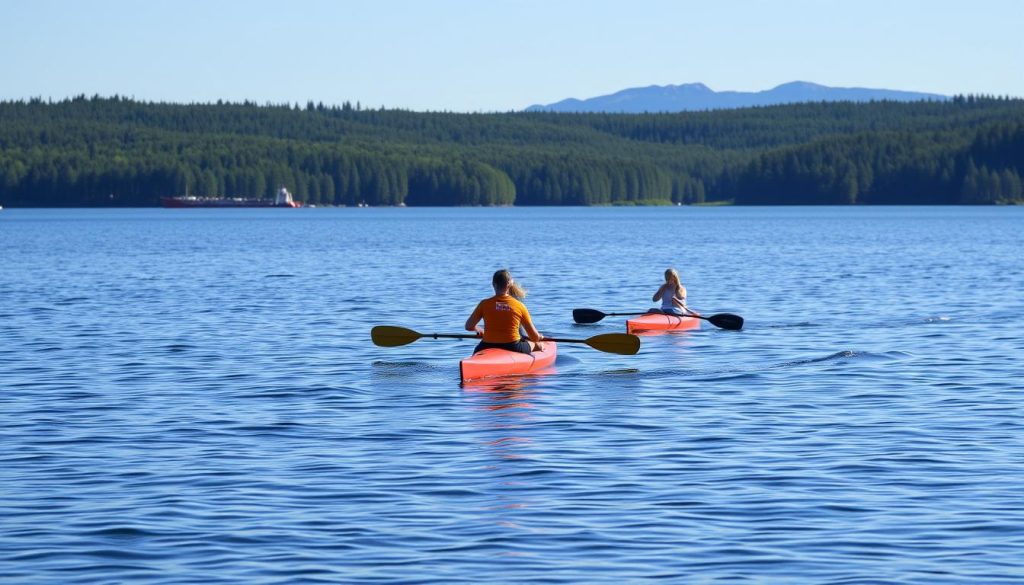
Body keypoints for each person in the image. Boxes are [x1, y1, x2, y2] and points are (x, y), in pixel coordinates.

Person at [465, 269, 544, 354]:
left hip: (487, 345)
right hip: (513, 346)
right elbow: (534, 337)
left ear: (493, 284)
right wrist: (539, 337)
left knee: (476, 350)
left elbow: (469, 326)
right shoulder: (519, 306)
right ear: (509, 284)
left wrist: (479, 330)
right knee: (538, 345)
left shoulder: (484, 304)